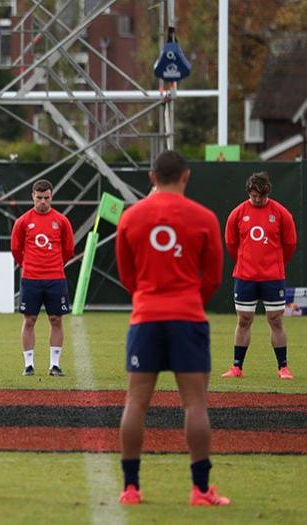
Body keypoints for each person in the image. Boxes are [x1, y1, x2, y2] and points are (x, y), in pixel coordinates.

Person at [115, 151, 229, 506]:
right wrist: (190, 300)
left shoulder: (131, 217)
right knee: (195, 405)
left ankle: (131, 488)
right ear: (186, 176)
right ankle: (200, 490)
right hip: (188, 317)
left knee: (136, 403)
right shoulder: (204, 217)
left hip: (146, 317)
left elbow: (126, 275)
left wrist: (147, 297)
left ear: (151, 177)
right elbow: (212, 277)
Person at [221, 172, 297, 380]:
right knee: (244, 320)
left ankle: (283, 367)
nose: (257, 200)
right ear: (249, 193)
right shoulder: (237, 214)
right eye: (254, 196)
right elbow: (231, 243)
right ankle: (237, 367)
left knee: (276, 320)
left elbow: (290, 244)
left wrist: (276, 263)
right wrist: (245, 261)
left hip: (273, 277)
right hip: (245, 277)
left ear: (267, 193)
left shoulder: (281, 214)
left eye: (261, 197)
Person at [10, 179, 74, 377]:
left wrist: (54, 265)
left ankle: (54, 365)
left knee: (56, 319)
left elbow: (69, 249)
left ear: (51, 197)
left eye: (46, 198)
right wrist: (29, 264)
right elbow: (15, 248)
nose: (43, 202)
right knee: (29, 320)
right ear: (33, 197)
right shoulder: (23, 221)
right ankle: (28, 365)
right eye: (39, 198)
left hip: (56, 278)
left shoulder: (62, 221)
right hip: (31, 278)